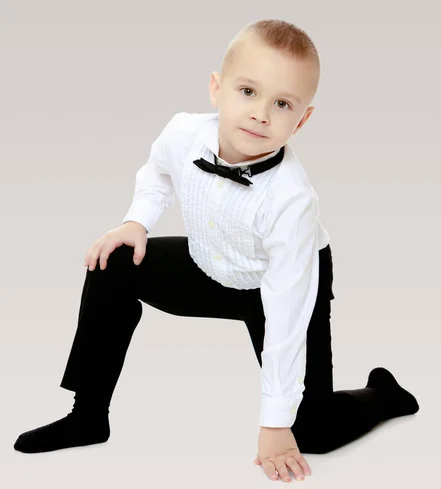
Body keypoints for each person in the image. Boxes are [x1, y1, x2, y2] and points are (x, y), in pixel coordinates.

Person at [13, 18, 419, 482]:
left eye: (282, 103)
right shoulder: (184, 132)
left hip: (283, 285)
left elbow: (286, 315)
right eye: (248, 92)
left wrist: (274, 425)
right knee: (113, 263)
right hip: (212, 263)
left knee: (314, 432)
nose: (261, 114)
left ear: (302, 119)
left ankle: (384, 394)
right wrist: (136, 221)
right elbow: (157, 173)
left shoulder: (292, 200)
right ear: (216, 88)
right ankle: (88, 415)